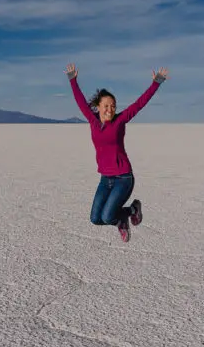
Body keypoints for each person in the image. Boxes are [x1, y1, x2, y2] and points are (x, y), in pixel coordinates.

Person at [64, 63, 168, 242]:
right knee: (95, 219)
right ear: (98, 107)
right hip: (105, 179)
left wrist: (156, 83)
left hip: (123, 178)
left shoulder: (120, 121)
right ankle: (129, 213)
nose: (110, 109)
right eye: (106, 105)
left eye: (113, 106)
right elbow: (80, 101)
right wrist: (73, 80)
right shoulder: (93, 121)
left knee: (107, 217)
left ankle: (127, 214)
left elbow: (139, 104)